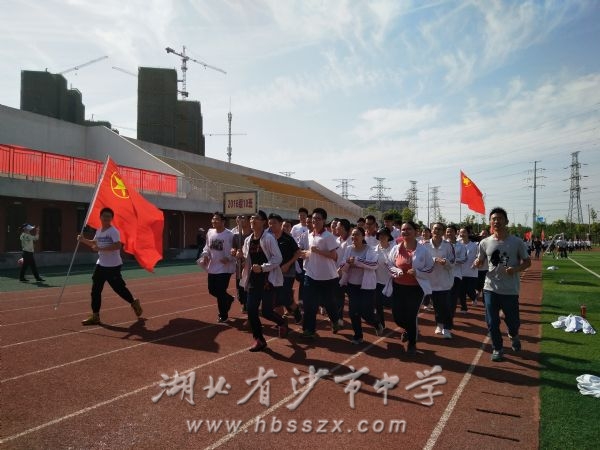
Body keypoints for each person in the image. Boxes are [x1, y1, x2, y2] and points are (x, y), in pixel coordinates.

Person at [474, 207, 531, 362]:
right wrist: (477, 262)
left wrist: (515, 269)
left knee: (513, 322)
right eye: (493, 219)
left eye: (499, 218)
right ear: (490, 222)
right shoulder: (485, 242)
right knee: (492, 321)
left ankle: (513, 334)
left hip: (510, 290)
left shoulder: (517, 242)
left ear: (506, 221)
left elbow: (527, 262)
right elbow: (480, 260)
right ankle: (497, 348)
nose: (496, 221)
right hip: (490, 288)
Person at [78, 208, 142, 325]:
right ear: (100, 217)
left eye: (109, 216)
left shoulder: (113, 231)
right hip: (100, 264)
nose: (106, 218)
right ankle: (95, 316)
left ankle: (133, 302)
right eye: (104, 216)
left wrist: (100, 248)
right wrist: (82, 240)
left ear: (112, 218)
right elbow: (94, 243)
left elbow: (117, 246)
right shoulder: (99, 230)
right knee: (95, 291)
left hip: (113, 266)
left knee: (119, 289)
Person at [240, 211, 285, 352]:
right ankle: (259, 339)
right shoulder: (248, 240)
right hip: (253, 280)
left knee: (266, 312)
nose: (252, 220)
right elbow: (246, 259)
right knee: (251, 310)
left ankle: (282, 322)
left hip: (267, 280)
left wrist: (263, 268)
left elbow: (278, 258)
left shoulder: (269, 238)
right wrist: (239, 256)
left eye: (256, 219)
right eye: (251, 218)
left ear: (264, 222)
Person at [387, 221, 434, 355]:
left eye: (409, 229)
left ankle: (412, 343)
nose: (405, 232)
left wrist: (417, 272)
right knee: (397, 317)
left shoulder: (423, 250)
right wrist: (397, 271)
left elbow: (430, 267)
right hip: (398, 286)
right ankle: (408, 329)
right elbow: (389, 264)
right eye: (403, 230)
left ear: (415, 232)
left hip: (415, 288)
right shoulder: (396, 248)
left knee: (411, 315)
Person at [300, 207, 340, 339]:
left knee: (329, 303)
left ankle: (335, 320)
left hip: (327, 277)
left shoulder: (328, 236)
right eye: (313, 219)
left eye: (318, 219)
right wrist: (305, 254)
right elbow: (311, 252)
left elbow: (334, 256)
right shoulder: (310, 235)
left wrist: (318, 251)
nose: (315, 221)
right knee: (309, 304)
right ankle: (309, 330)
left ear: (324, 220)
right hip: (311, 274)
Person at [339, 227, 382, 344]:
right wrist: (347, 263)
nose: (354, 237)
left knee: (366, 313)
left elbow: (374, 265)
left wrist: (357, 261)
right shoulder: (348, 249)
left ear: (363, 236)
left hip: (367, 286)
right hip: (352, 285)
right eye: (352, 235)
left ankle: (376, 322)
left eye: (357, 234)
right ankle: (358, 336)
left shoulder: (370, 249)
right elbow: (343, 264)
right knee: (353, 312)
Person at [199, 212, 236, 323]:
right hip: (213, 266)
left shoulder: (229, 235)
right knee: (212, 290)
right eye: (213, 219)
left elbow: (235, 250)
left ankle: (223, 315)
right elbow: (207, 247)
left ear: (223, 221)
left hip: (225, 268)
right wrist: (205, 255)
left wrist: (229, 258)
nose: (214, 221)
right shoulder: (210, 232)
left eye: (217, 219)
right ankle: (229, 299)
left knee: (220, 291)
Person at [268, 213, 302, 324]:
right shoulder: (268, 238)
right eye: (270, 223)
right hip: (273, 271)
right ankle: (281, 322)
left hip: (287, 272)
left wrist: (288, 264)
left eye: (274, 223)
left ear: (280, 224)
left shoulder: (288, 238)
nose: (271, 225)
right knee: (276, 298)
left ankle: (296, 310)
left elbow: (298, 253)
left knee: (284, 297)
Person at [424, 222, 455, 339]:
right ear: (431, 231)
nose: (437, 231)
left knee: (446, 306)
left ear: (443, 232)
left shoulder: (448, 245)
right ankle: (439, 324)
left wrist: (445, 262)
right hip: (431, 281)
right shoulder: (424, 245)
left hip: (445, 281)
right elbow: (422, 260)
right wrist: (433, 259)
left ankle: (447, 328)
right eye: (435, 229)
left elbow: (453, 262)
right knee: (436, 305)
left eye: (440, 229)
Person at [374, 227, 395, 327]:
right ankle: (380, 324)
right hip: (377, 281)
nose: (382, 237)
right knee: (378, 304)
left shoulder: (394, 249)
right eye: (380, 235)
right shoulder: (374, 249)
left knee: (392, 305)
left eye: (384, 235)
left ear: (388, 237)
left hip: (391, 282)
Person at [230, 215, 251, 313]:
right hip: (239, 266)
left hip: (250, 266)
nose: (240, 220)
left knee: (250, 286)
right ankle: (244, 302)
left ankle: (248, 305)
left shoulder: (253, 235)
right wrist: (233, 251)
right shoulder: (235, 236)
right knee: (240, 287)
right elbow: (233, 248)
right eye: (238, 218)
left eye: (243, 218)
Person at [458, 228, 479, 307]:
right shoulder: (457, 244)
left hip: (471, 271)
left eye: (464, 232)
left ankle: (474, 297)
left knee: (469, 289)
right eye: (460, 232)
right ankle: (464, 308)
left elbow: (479, 256)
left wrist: (476, 263)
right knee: (461, 291)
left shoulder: (474, 245)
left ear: (468, 233)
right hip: (460, 271)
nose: (462, 234)